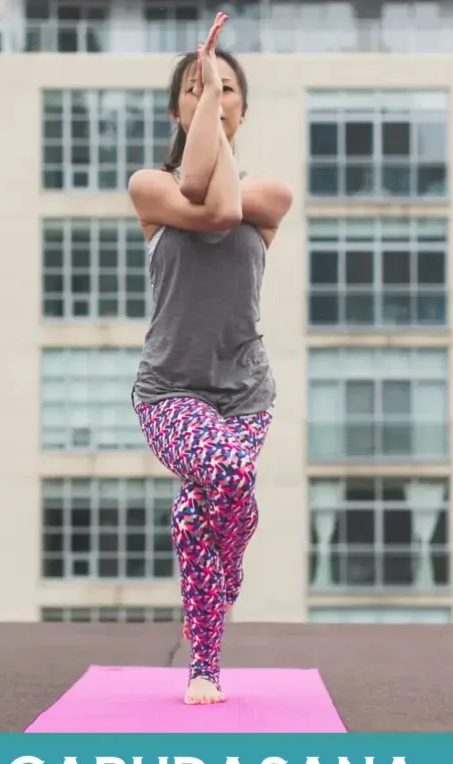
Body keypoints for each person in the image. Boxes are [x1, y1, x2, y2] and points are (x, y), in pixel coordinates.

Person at [127, 13, 294, 706]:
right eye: (199, 87)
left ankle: (204, 668)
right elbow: (209, 203)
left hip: (245, 393)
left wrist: (209, 103)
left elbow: (227, 202)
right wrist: (207, 114)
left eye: (227, 89)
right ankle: (227, 578)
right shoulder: (149, 189)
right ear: (177, 108)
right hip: (169, 393)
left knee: (200, 516)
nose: (215, 96)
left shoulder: (271, 194)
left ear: (244, 108)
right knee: (227, 476)